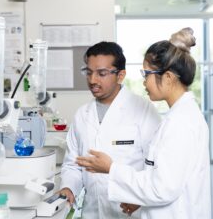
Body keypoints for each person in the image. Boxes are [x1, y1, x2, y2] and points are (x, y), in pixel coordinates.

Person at [75, 28, 211, 218]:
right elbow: (161, 180)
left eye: (146, 74)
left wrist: (111, 168)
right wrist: (138, 198)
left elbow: (161, 188)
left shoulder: (181, 123)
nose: (144, 82)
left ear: (168, 77)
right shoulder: (179, 116)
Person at [58, 42, 161, 218]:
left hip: (131, 212)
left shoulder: (144, 110)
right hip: (92, 212)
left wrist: (140, 197)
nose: (92, 80)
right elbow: (73, 164)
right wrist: (68, 188)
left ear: (120, 75)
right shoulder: (82, 114)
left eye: (101, 73)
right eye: (88, 72)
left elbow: (155, 165)